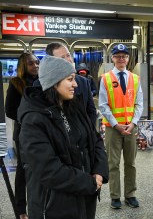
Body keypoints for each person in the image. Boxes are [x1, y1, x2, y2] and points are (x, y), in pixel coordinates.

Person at [17, 55, 109, 219]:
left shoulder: (74, 105)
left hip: (84, 200)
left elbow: (95, 140)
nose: (75, 84)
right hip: (54, 205)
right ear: (54, 82)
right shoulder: (33, 119)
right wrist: (88, 182)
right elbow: (47, 169)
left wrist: (99, 171)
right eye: (70, 79)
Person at [99, 43, 143, 209]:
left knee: (130, 163)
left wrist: (133, 124)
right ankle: (115, 197)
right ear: (113, 58)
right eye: (118, 56)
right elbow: (103, 105)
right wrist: (116, 125)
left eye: (124, 56)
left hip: (131, 128)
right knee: (113, 163)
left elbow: (139, 104)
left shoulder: (135, 78)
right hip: (113, 128)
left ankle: (130, 195)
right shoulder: (106, 78)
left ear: (128, 58)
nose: (121, 59)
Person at [5, 52, 39, 219]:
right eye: (31, 63)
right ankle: (21, 210)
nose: (35, 66)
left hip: (42, 132)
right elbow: (9, 109)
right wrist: (27, 118)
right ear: (23, 66)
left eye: (37, 62)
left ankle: (40, 203)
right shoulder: (16, 83)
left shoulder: (43, 81)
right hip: (24, 132)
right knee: (23, 170)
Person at [44, 42, 97, 125]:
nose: (68, 60)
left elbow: (91, 111)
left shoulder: (83, 82)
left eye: (68, 55)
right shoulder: (43, 83)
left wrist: (89, 132)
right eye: (62, 58)